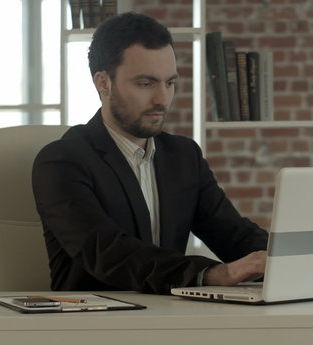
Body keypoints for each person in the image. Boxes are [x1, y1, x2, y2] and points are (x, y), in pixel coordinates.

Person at [32, 12, 268, 295]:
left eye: (169, 83)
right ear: (103, 83)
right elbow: (110, 255)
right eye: (146, 84)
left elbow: (234, 235)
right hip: (91, 324)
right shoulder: (61, 162)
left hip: (168, 320)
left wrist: (290, 258)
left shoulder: (184, 156)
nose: (162, 99)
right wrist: (214, 274)